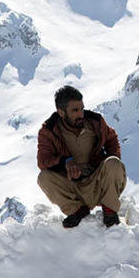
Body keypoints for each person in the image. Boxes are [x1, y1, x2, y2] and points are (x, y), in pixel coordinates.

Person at [37, 85, 127, 227]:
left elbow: (111, 138)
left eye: (82, 109)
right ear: (61, 112)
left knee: (114, 163)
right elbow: (43, 161)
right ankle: (77, 210)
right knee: (44, 177)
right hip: (72, 187)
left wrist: (110, 167)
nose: (81, 114)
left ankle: (110, 211)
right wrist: (64, 161)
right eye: (75, 110)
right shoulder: (48, 131)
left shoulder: (95, 122)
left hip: (97, 183)